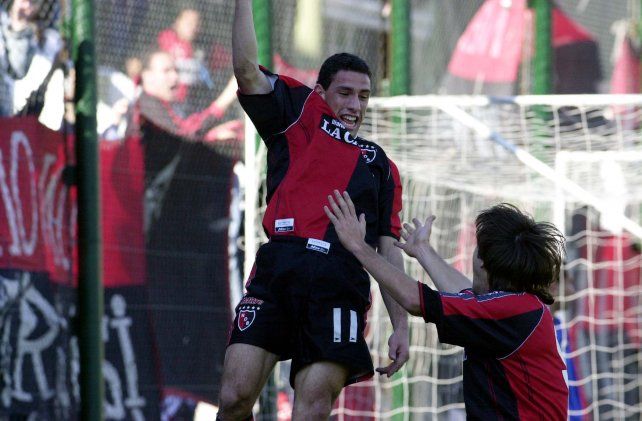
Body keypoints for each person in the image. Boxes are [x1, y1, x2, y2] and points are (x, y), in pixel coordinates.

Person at [217, 1, 409, 419]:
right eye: (345, 92)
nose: (355, 105)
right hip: (278, 269)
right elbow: (247, 68)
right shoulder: (300, 111)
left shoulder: (381, 166)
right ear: (322, 93)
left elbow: (388, 249)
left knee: (312, 408)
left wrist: (402, 324)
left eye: (364, 96)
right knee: (234, 399)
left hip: (339, 283)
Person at [324, 191, 569, 420]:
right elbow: (463, 294)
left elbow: (415, 300)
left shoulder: (510, 311)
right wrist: (423, 250)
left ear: (484, 264)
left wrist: (358, 246)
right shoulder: (519, 307)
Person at [139, 50, 239, 141]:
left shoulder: (156, 103)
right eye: (166, 71)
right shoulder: (144, 105)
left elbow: (183, 133)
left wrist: (211, 134)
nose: (175, 77)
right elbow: (183, 136)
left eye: (176, 70)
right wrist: (227, 97)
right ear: (147, 76)